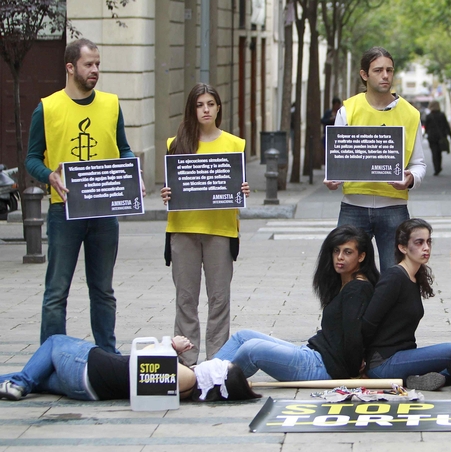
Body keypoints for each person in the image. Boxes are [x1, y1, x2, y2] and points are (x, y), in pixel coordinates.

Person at [24, 38, 144, 353]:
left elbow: (124, 148)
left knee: (103, 290)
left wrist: (134, 172)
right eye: (89, 64)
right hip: (63, 212)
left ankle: (107, 354)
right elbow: (32, 158)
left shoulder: (110, 104)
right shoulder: (47, 108)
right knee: (56, 292)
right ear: (70, 67)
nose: (95, 71)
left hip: (104, 212)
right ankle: (51, 355)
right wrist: (49, 175)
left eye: (98, 65)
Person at [212, 226, 380, 380]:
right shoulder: (344, 283)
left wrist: (353, 373)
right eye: (336, 251)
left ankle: (212, 382)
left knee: (251, 350)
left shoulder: (357, 289)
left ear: (362, 256)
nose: (340, 257)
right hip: (312, 352)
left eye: (348, 252)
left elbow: (354, 337)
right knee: (243, 337)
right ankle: (202, 374)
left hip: (322, 366)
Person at [160, 83, 250, 366]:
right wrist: (166, 193)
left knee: (219, 299)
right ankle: (186, 360)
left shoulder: (235, 145)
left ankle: (217, 359)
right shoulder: (174, 144)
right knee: (185, 298)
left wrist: (243, 189)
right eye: (200, 105)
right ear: (192, 110)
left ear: (218, 107)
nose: (206, 110)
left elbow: (235, 184)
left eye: (210, 104)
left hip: (220, 231)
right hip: (183, 230)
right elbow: (172, 187)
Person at [324, 47, 427, 272]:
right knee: (345, 274)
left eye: (389, 70)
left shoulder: (410, 114)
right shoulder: (347, 110)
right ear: (364, 75)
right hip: (353, 207)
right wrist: (333, 178)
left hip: (394, 208)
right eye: (378, 70)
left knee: (395, 276)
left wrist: (410, 179)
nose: (385, 75)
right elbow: (337, 159)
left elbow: (419, 164)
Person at [0, 335, 260, 402]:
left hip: (89, 366)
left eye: (224, 364)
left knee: (55, 341)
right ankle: (17, 384)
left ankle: (20, 384)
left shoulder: (185, 377)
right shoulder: (189, 390)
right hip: (91, 389)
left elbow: (142, 362)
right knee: (38, 378)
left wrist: (169, 346)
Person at [361, 219, 451, 390]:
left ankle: (417, 379)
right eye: (419, 242)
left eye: (428, 242)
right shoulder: (394, 277)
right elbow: (368, 322)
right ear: (402, 247)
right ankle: (420, 379)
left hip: (403, 356)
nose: (426, 247)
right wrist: (358, 360)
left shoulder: (414, 276)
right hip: (382, 363)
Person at [423, 100, 451, 176]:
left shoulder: (429, 116)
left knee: (434, 153)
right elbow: (446, 126)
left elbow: (426, 127)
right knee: (439, 153)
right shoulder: (442, 115)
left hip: (432, 137)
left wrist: (425, 134)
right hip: (441, 137)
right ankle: (439, 166)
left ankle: (436, 168)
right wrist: (450, 135)